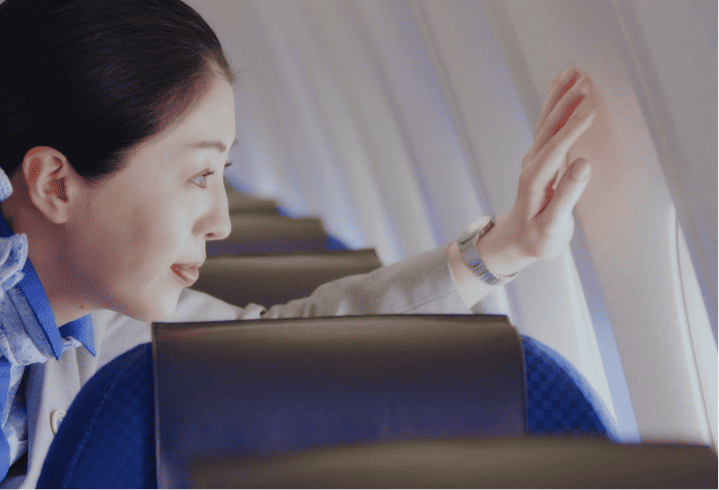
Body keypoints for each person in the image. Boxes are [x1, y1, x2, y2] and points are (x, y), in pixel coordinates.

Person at [0, 0, 596, 486]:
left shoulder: (93, 326)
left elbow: (286, 343)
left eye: (223, 175)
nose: (221, 224)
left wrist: (504, 249)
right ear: (55, 183)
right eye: (199, 175)